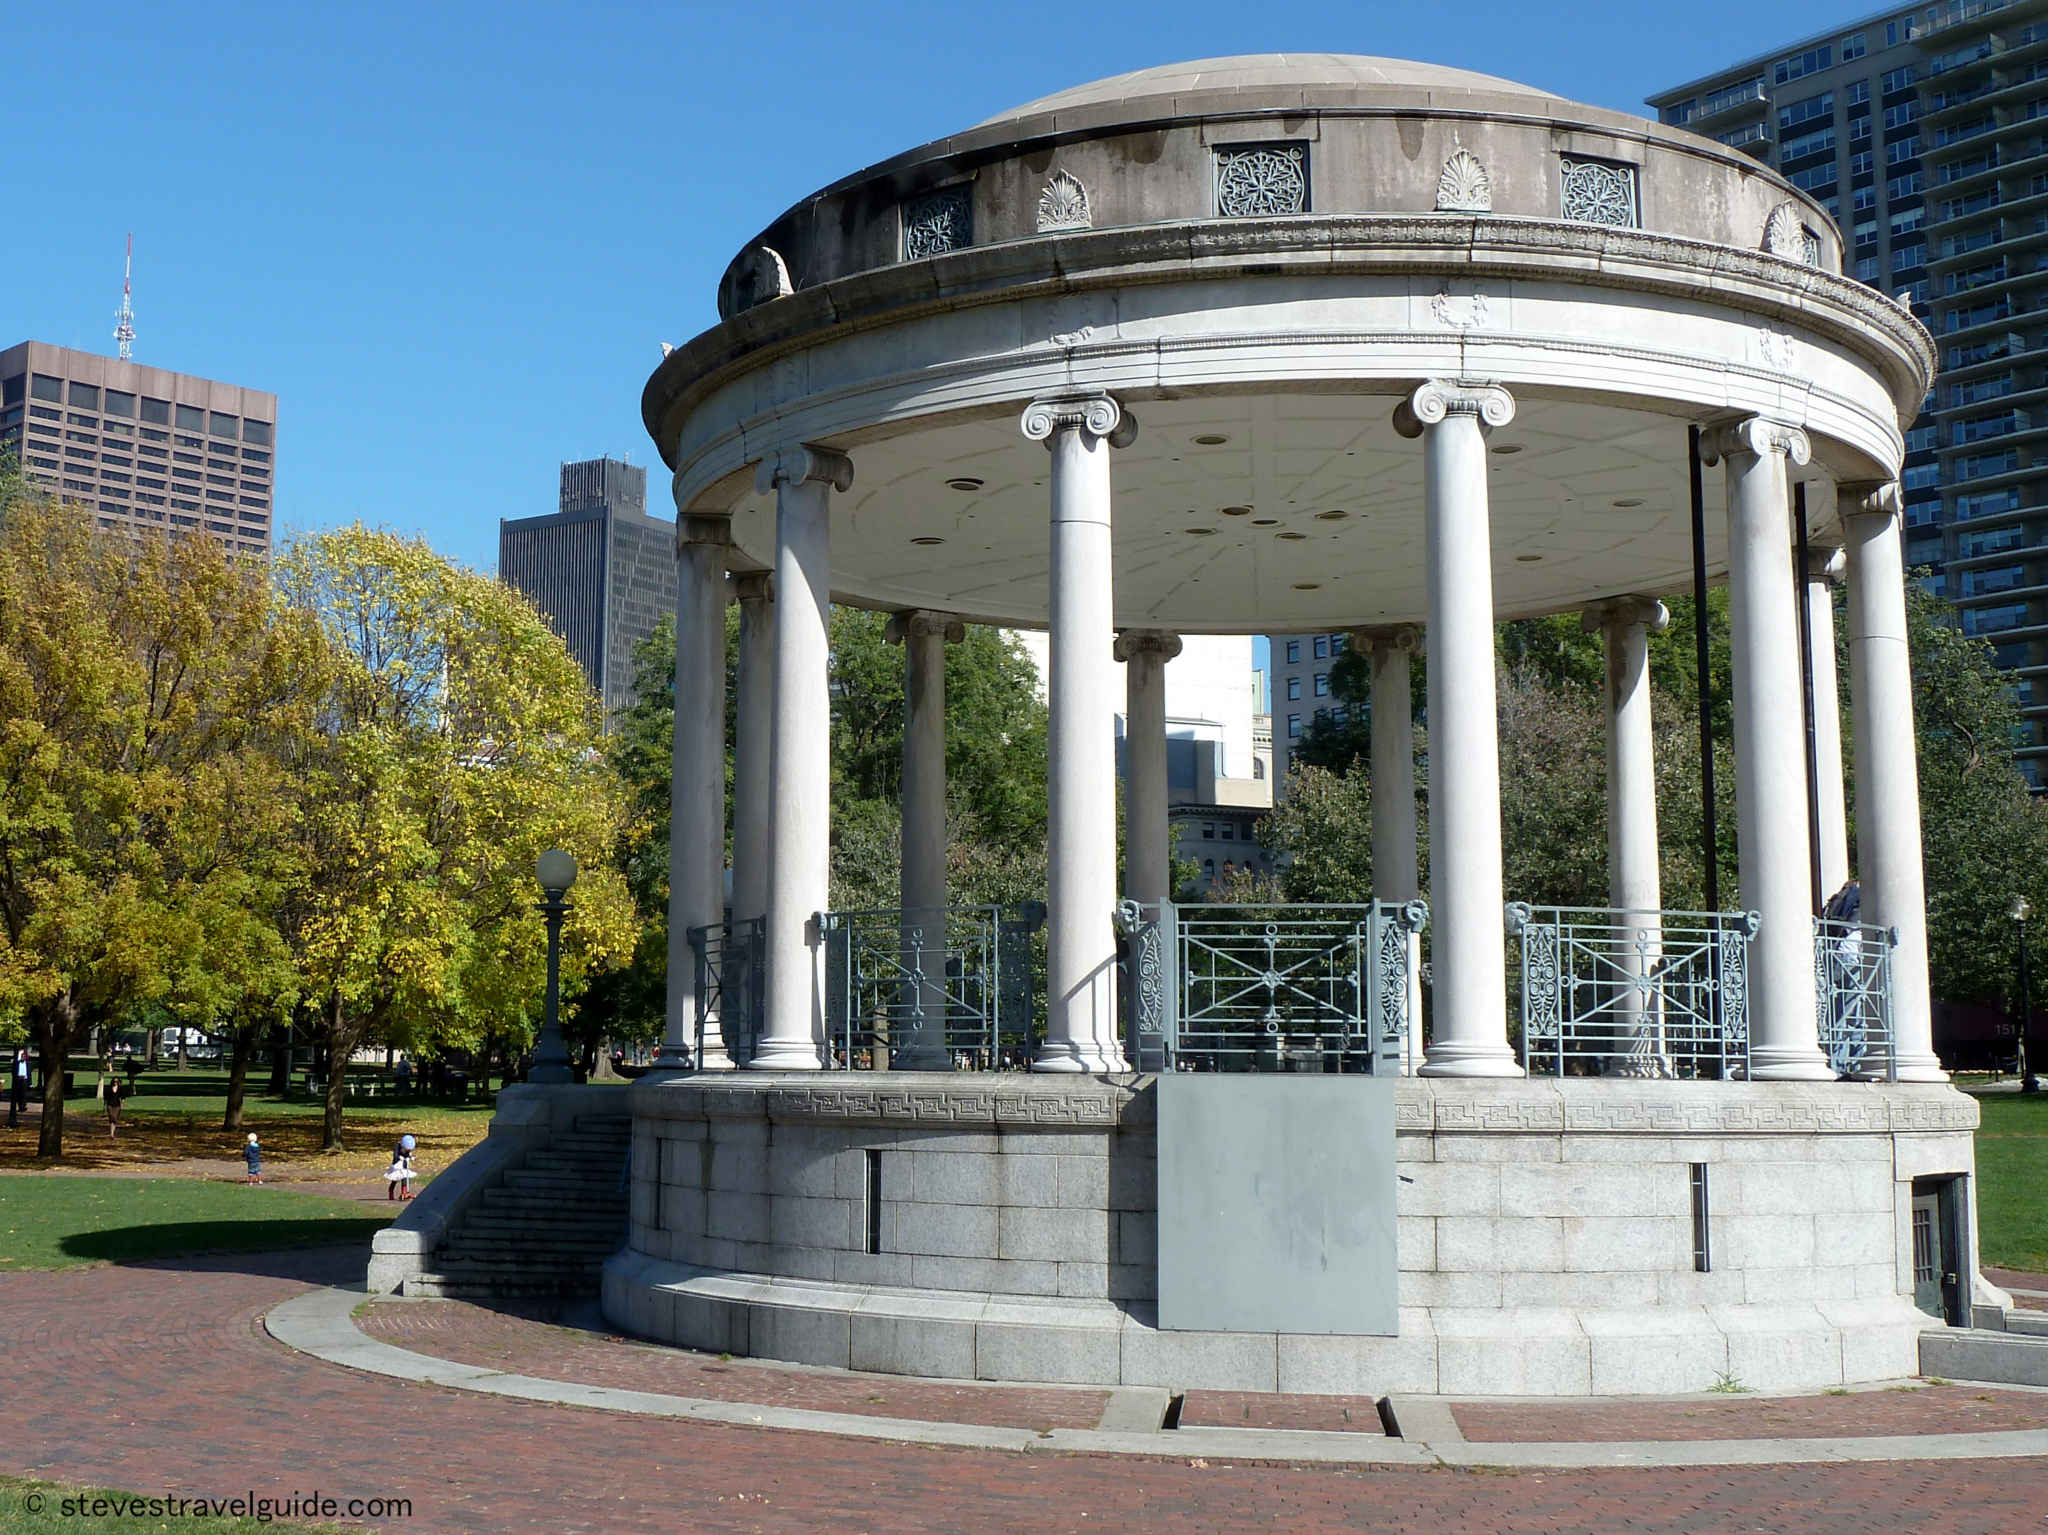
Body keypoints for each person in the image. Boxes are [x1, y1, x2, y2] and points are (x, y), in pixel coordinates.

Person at [384, 1133, 417, 1200]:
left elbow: (407, 1155)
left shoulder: (407, 1149)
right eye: (407, 1149)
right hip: (397, 1165)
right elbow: (395, 1155)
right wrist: (399, 1157)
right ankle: (391, 1190)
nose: (408, 1150)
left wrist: (411, 1157)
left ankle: (404, 1192)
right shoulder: (397, 1146)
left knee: (404, 1177)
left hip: (404, 1164)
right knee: (395, 1179)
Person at [9, 1047, 28, 1128]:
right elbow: (16, 1062)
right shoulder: (17, 1063)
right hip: (18, 1078)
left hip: (23, 1078)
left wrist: (28, 1080)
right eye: (22, 1056)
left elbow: (27, 1071)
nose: (23, 1057)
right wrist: (19, 1055)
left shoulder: (26, 1063)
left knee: (23, 1093)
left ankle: (22, 1106)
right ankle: (17, 1110)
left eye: (24, 1056)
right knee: (16, 1094)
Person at [103, 1069, 125, 1138]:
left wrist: (122, 1104)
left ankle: (112, 1133)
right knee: (111, 1117)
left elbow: (123, 1097)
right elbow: (106, 1097)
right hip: (110, 1104)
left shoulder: (120, 1089)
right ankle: (111, 1133)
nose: (115, 1082)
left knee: (114, 1119)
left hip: (117, 1105)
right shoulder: (109, 1088)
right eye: (114, 1081)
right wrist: (105, 1104)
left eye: (117, 1081)